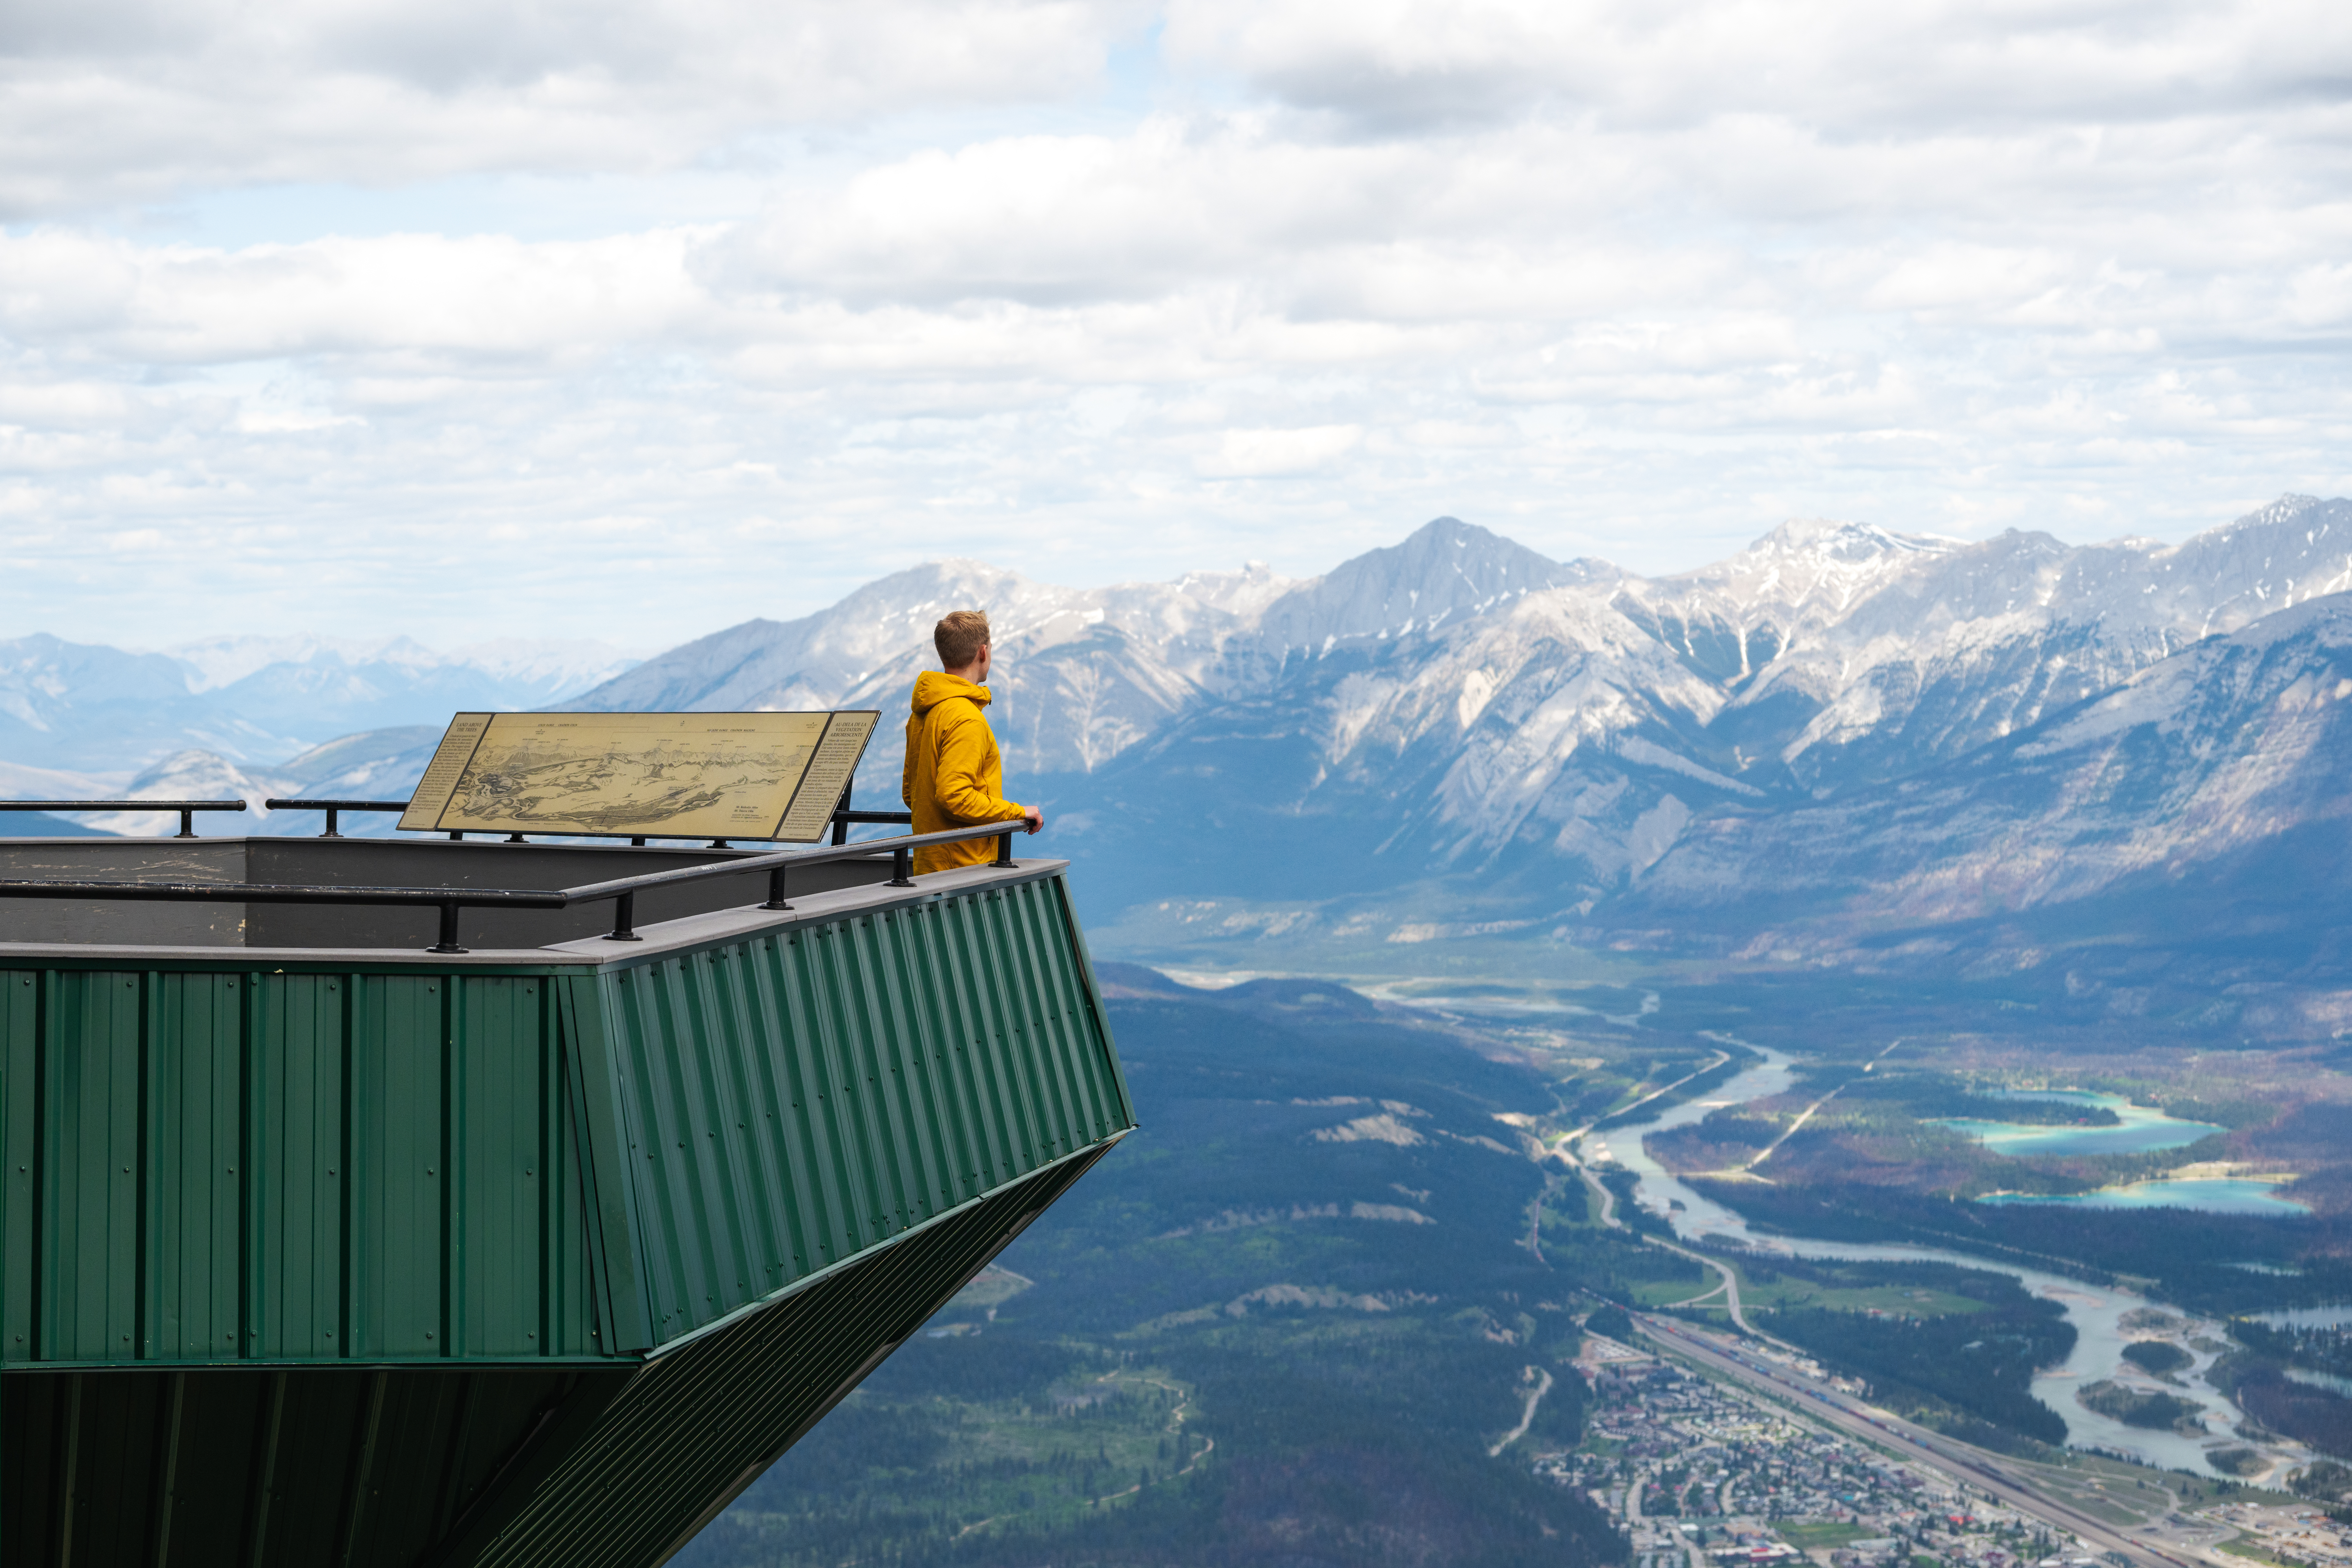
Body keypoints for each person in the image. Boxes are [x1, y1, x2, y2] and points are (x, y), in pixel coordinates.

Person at [903, 609, 1043, 874]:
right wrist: (1017, 812)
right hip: (965, 870)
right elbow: (953, 795)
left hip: (929, 867)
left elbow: (912, 795)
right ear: (983, 652)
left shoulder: (922, 714)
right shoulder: (967, 719)